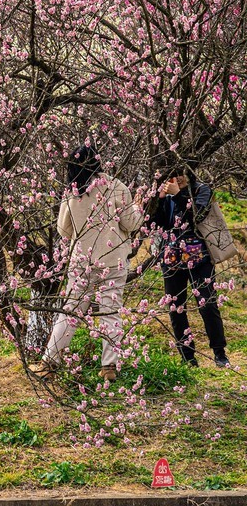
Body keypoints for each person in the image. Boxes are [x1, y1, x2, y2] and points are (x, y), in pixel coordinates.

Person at [32, 145, 142, 381]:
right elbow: (131, 224)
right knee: (110, 311)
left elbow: (63, 229)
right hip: (113, 262)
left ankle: (49, 363)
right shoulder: (117, 187)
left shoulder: (73, 192)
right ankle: (109, 368)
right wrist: (139, 208)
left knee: (70, 312)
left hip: (82, 262)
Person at [144, 172, 230, 368]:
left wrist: (179, 195)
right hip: (171, 259)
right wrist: (157, 201)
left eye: (181, 174)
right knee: (175, 308)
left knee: (207, 305)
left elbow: (197, 215)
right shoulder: (165, 195)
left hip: (200, 259)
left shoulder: (201, 190)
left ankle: (219, 353)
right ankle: (188, 357)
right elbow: (152, 224)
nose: (178, 178)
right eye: (173, 175)